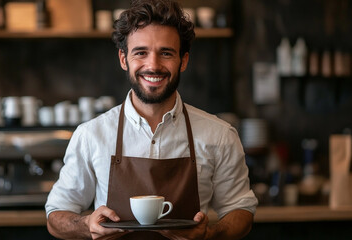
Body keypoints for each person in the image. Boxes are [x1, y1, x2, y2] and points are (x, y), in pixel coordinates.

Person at [45, 0, 258, 239]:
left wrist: (209, 234)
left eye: (166, 53)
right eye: (141, 52)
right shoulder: (91, 135)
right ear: (123, 59)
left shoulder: (219, 136)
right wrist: (86, 224)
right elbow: (56, 216)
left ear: (183, 61)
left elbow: (241, 210)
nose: (153, 65)